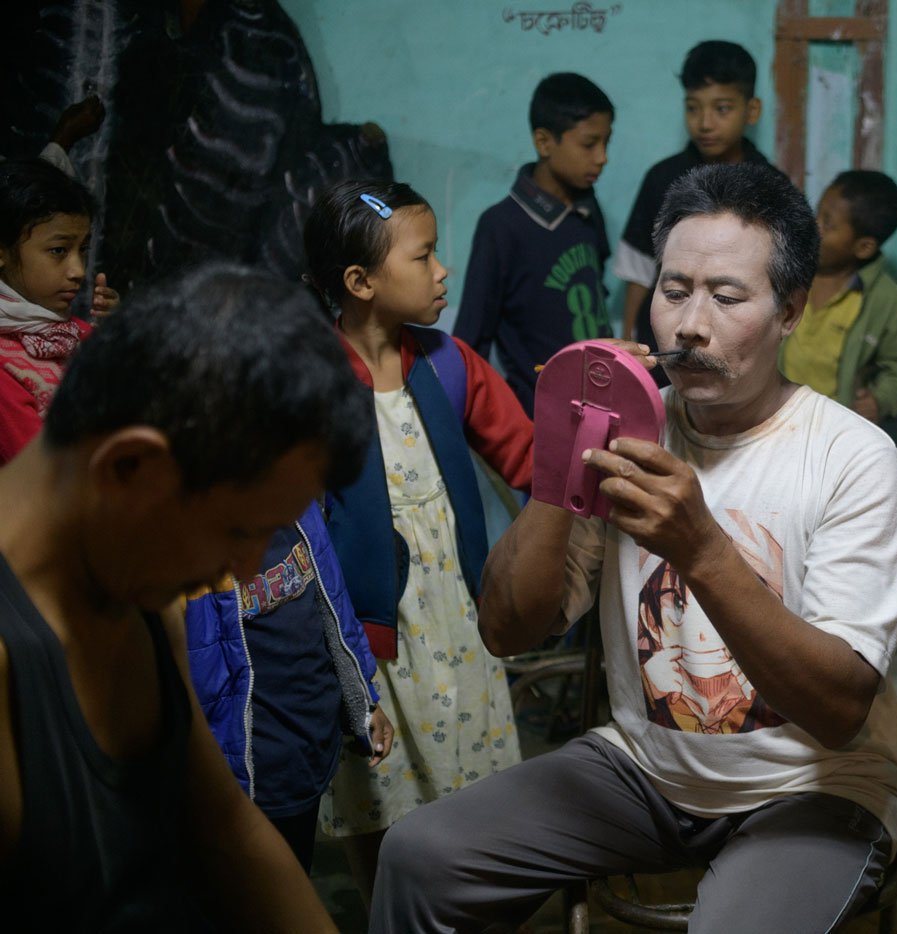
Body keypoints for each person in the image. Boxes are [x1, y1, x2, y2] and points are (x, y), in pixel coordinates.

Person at [368, 162, 897, 933]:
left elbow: (836, 712)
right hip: (644, 771)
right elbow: (508, 630)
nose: (691, 324)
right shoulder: (627, 431)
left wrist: (702, 549)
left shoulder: (850, 457)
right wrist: (562, 460)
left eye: (727, 297)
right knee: (421, 853)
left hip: (815, 783)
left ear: (791, 310)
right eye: (673, 290)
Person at [0, 262, 367, 931]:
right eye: (237, 531)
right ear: (128, 467)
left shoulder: (141, 598)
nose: (244, 569)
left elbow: (224, 822)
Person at [303, 178, 533, 901]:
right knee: (382, 811)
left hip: (458, 625)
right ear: (360, 281)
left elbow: (531, 459)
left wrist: (598, 403)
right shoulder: (309, 383)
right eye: (425, 255)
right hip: (370, 644)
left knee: (476, 808)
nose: (444, 271)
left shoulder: (448, 363)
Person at [179, 500, 395, 873]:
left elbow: (332, 603)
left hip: (310, 747)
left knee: (295, 871)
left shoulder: (297, 502)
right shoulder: (186, 543)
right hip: (250, 773)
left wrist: (364, 699)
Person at [779, 170, 897, 542]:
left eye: (828, 224)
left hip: (830, 441)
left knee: (818, 526)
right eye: (818, 212)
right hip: (774, 424)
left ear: (863, 247)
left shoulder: (882, 299)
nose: (814, 226)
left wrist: (880, 400)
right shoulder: (788, 271)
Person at [452, 72, 614, 414]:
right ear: (544, 142)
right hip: (540, 414)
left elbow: (596, 288)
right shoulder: (501, 226)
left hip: (604, 399)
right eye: (589, 144)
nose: (602, 157)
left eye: (606, 143)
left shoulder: (587, 207)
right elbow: (471, 339)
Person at [614, 40, 769, 382]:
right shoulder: (662, 178)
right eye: (693, 108)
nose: (705, 122)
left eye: (722, 108)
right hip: (663, 343)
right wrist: (630, 341)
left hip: (736, 344)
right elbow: (639, 270)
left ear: (752, 110)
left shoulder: (768, 185)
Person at [0, 158, 120, 463]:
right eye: (59, 250)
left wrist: (119, 337)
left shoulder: (79, 333)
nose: (78, 271)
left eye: (82, 249)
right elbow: (43, 472)